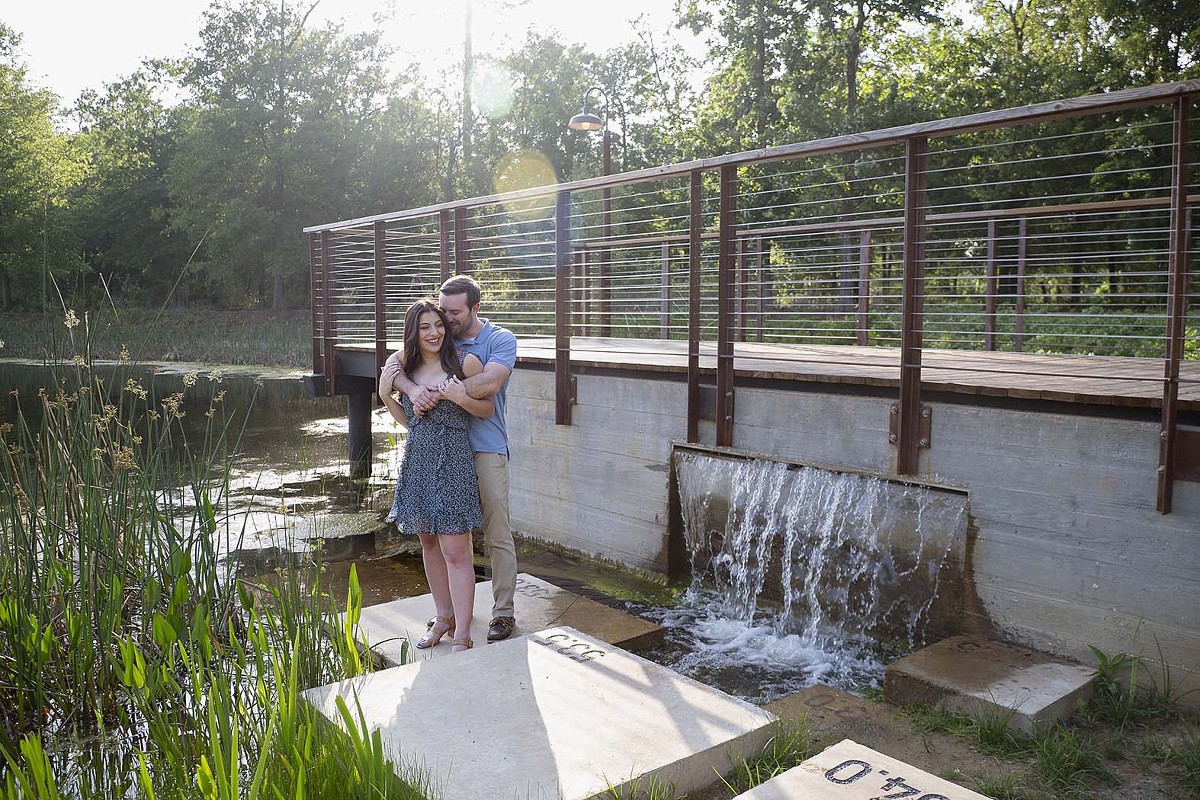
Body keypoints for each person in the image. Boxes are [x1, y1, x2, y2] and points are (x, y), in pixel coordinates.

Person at [386, 275, 519, 643]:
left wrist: (447, 393)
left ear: (474, 308)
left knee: (494, 532)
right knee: (430, 538)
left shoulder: (496, 341)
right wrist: (409, 388)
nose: (445, 321)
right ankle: (447, 615)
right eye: (442, 312)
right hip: (428, 457)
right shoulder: (440, 338)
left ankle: (502, 613)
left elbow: (489, 386)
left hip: (483, 447)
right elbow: (394, 363)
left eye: (452, 313)